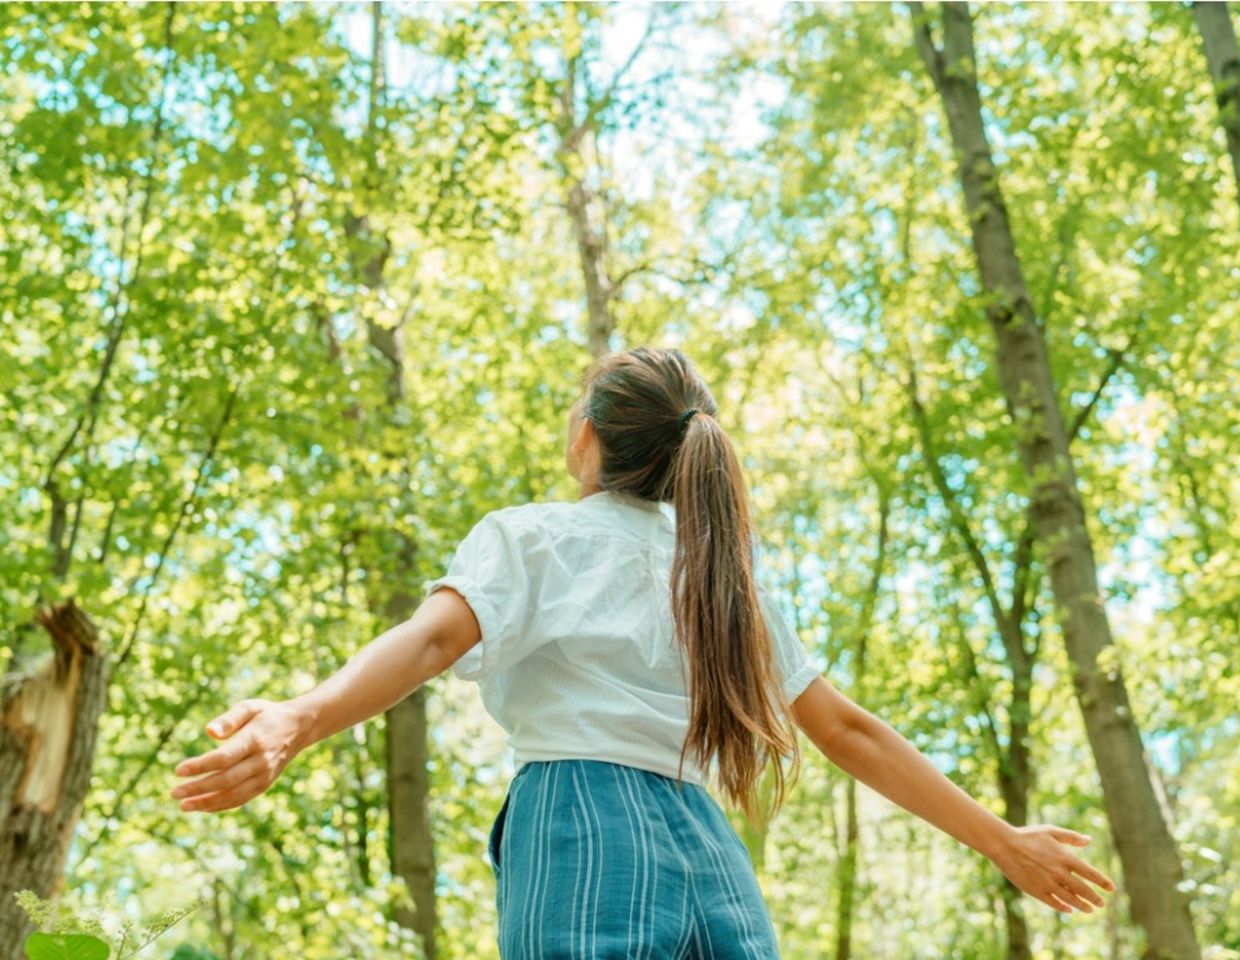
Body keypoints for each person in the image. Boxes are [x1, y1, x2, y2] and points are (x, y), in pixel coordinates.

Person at [172, 346, 1115, 957]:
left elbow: (427, 644)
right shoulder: (725, 579)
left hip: (580, 820)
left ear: (588, 438)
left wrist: (300, 716)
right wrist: (1002, 840)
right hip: (707, 846)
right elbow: (849, 730)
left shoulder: (536, 535)